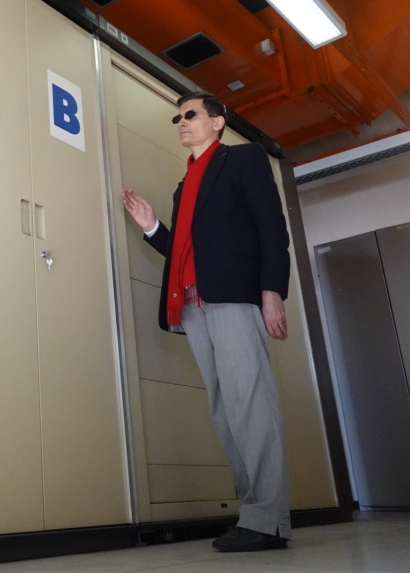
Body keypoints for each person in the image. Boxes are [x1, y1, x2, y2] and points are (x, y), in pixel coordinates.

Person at [122, 92, 292, 553]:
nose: (181, 122)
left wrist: (272, 291)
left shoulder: (244, 159)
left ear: (217, 122)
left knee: (250, 402)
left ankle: (269, 521)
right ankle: (253, 514)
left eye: (190, 114)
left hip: (234, 297)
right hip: (194, 304)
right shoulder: (185, 185)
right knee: (224, 409)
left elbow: (271, 225)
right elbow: (185, 250)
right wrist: (152, 227)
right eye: (177, 117)